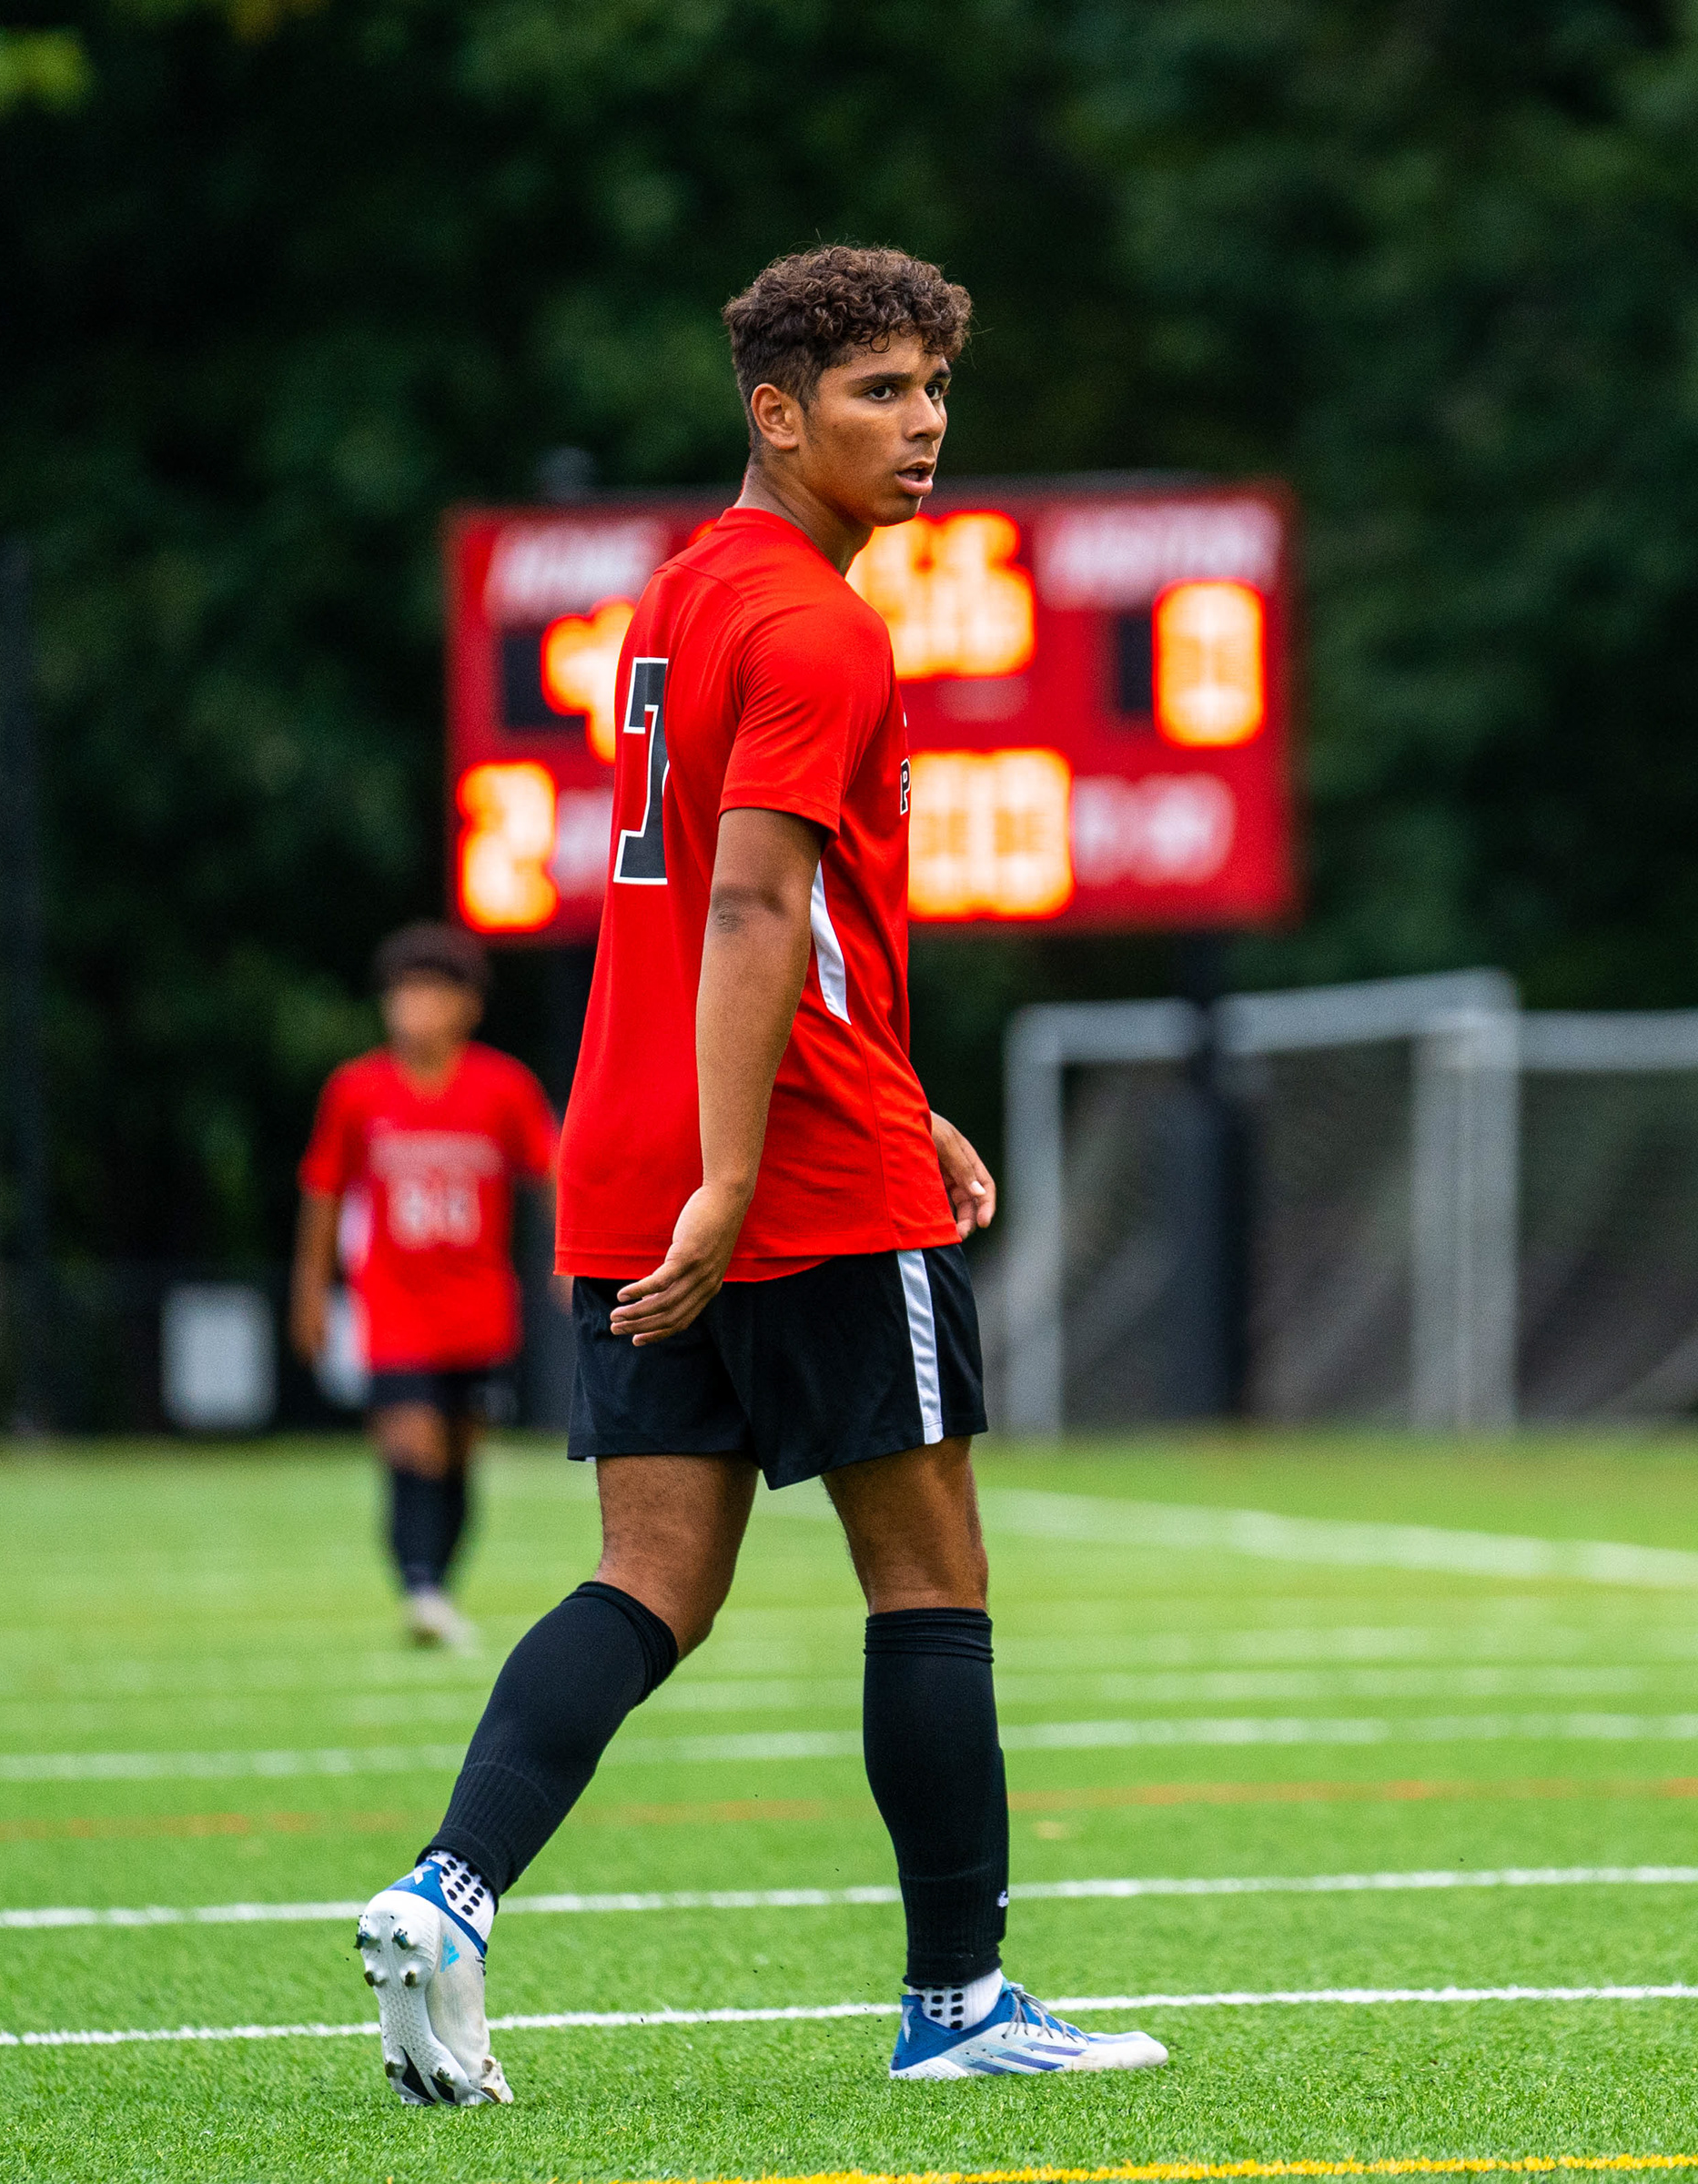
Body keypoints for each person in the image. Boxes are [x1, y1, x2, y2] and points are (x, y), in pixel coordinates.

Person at [354, 245, 1168, 2101]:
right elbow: (747, 904)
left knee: (649, 1578)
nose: (926, 423)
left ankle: (449, 1894)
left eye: (936, 387)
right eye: (882, 391)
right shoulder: (819, 625)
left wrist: (883, 1097)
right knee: (930, 1572)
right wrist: (744, 1176)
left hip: (635, 1143)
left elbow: (750, 931)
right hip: (785, 1173)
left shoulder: (675, 599)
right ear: (777, 414)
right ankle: (959, 2005)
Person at [291, 922, 559, 1649]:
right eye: (403, 993)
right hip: (394, 1302)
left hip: (478, 1305)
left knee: (460, 1454)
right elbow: (323, 1191)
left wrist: (568, 1258)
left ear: (468, 1005)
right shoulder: (356, 1090)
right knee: (413, 1445)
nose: (414, 1009)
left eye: (432, 993)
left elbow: (552, 1170)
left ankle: (436, 1585)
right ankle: (419, 1586)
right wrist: (310, 1291)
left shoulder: (503, 1087)